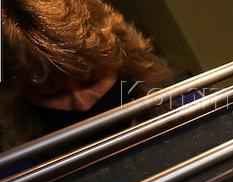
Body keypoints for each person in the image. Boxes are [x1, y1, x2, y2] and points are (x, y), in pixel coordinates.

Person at [0, 0, 174, 151]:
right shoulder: (18, 173)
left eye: (91, 82)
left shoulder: (182, 109)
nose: (83, 105)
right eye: (54, 94)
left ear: (123, 65)